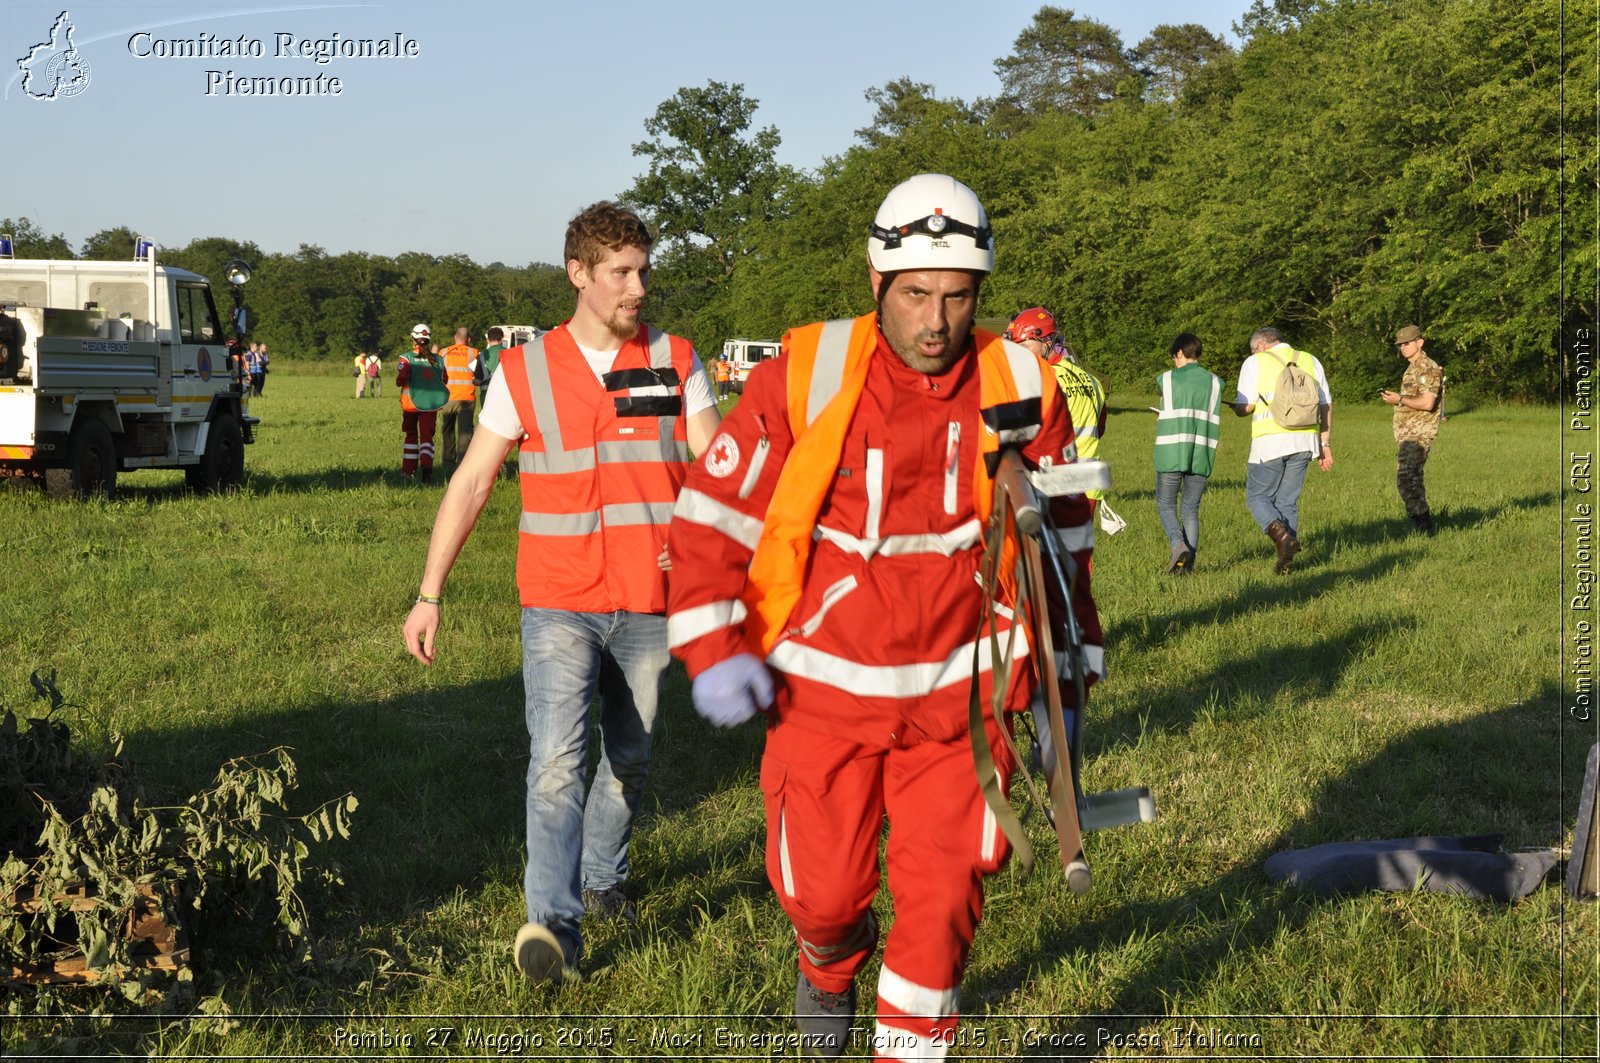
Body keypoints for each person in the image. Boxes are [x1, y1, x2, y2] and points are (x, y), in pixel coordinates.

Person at [665, 174, 1103, 1059]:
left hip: (963, 710)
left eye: (956, 296)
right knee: (823, 900)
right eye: (915, 295)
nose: (935, 321)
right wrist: (714, 650)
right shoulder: (809, 372)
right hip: (822, 700)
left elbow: (1065, 539)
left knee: (940, 913)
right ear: (875, 282)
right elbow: (712, 517)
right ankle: (827, 971)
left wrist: (1070, 670)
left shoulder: (1023, 380)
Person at [401, 201, 720, 985]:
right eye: (620, 272)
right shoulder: (525, 370)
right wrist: (429, 591)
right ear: (578, 273)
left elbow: (723, 474)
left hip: (652, 597)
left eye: (643, 270)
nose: (637, 286)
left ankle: (605, 879)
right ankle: (555, 928)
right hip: (558, 599)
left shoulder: (678, 360)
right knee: (555, 763)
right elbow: (474, 479)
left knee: (630, 760)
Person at [1230, 326, 1333, 573]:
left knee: (1257, 497)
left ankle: (1283, 538)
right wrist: (1325, 443)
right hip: (1305, 441)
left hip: (1270, 440)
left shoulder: (1254, 362)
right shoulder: (1310, 359)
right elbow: (1326, 404)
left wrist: (1236, 408)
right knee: (1287, 501)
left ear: (1261, 345)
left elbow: (1245, 406)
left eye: (1253, 348)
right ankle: (1286, 561)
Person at [1004, 307, 1107, 514]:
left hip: (1054, 484)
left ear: (1047, 341)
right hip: (1088, 486)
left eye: (1025, 344)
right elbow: (1100, 428)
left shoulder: (1041, 378)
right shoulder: (1092, 381)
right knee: (1078, 545)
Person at [1153, 332, 1223, 574]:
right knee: (1191, 510)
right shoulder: (1215, 382)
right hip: (1201, 453)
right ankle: (1188, 566)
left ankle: (1177, 545)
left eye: (1175, 356)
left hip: (1171, 451)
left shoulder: (1167, 379)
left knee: (1165, 505)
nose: (1175, 361)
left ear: (1180, 353)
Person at [1380, 324, 1443, 536]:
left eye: (1407, 343)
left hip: (1419, 433)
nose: (1403, 347)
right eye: (1400, 345)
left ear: (1420, 342)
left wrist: (1399, 399)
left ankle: (1425, 528)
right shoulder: (1413, 368)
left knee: (1407, 479)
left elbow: (1427, 403)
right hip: (1409, 433)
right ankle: (1424, 528)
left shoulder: (1427, 368)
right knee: (1411, 479)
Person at [397, 324, 448, 482]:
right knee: (427, 437)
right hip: (431, 404)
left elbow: (401, 380)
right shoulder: (439, 359)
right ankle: (426, 465)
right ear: (428, 339)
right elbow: (444, 379)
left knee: (411, 436)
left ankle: (408, 471)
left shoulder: (407, 358)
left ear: (414, 339)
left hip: (412, 404)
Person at [438, 327, 479, 473]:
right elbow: (478, 374)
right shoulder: (473, 353)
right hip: (467, 399)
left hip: (448, 398)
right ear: (468, 339)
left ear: (455, 337)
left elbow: (438, 375)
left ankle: (447, 461)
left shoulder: (443, 353)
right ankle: (463, 463)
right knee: (465, 432)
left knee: (447, 429)